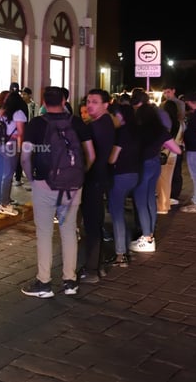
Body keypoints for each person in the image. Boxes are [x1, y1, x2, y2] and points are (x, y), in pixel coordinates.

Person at [20, 86, 95, 298]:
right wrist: (80, 175)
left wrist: (32, 179)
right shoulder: (77, 122)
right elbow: (91, 154)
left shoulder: (36, 124)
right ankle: (70, 281)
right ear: (64, 101)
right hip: (73, 186)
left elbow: (25, 157)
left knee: (44, 233)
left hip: (45, 184)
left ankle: (44, 283)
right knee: (69, 230)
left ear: (43, 102)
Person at [128, 103, 182, 253]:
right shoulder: (161, 130)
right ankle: (150, 234)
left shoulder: (137, 130)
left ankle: (147, 238)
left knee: (140, 202)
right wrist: (161, 149)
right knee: (151, 199)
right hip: (155, 165)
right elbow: (177, 149)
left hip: (141, 166)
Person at [77, 89, 115, 284]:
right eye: (88, 101)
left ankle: (92, 269)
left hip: (94, 180)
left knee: (92, 224)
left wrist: (82, 172)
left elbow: (91, 156)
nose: (90, 105)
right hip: (99, 178)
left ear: (105, 105)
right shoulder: (104, 123)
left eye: (94, 102)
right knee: (94, 223)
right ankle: (96, 265)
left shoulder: (99, 125)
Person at [105, 104, 139, 267]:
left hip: (120, 175)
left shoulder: (121, 133)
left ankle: (121, 254)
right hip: (134, 174)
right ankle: (125, 248)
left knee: (117, 215)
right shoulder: (136, 131)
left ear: (120, 116)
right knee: (123, 215)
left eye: (114, 116)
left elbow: (112, 158)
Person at [0, 90, 27, 216]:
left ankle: (0, 203)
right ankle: (5, 204)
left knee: (1, 175)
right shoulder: (19, 114)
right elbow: (21, 134)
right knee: (8, 175)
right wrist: (20, 149)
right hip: (11, 146)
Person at [156, 100, 184, 214]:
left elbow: (165, 140)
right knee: (167, 181)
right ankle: (165, 203)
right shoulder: (180, 123)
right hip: (174, 153)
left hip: (165, 154)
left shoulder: (168, 123)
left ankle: (162, 206)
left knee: (162, 181)